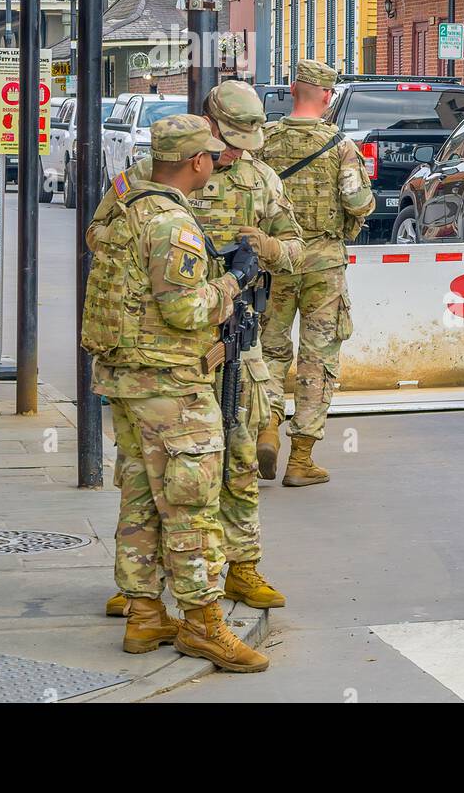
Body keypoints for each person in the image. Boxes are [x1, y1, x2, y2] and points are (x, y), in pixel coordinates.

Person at [93, 81, 302, 619]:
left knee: (235, 456)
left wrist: (266, 248)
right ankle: (147, 583)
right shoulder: (143, 177)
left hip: (234, 338)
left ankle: (242, 565)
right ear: (206, 126)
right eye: (227, 140)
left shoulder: (261, 178)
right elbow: (99, 237)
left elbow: (297, 248)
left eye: (243, 142)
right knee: (156, 470)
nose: (234, 152)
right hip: (167, 347)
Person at [81, 113, 269, 672]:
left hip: (128, 380)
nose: (216, 162)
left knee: (140, 498)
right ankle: (202, 623)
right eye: (211, 155)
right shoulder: (173, 226)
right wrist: (232, 281)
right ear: (195, 162)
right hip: (171, 385)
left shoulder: (125, 204)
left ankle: (144, 614)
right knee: (192, 505)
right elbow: (184, 310)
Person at [258, 59, 374, 485]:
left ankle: (266, 424)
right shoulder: (340, 145)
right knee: (318, 356)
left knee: (269, 349)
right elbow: (359, 202)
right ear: (327, 96)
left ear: (292, 89)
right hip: (323, 262)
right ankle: (301, 459)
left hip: (275, 260)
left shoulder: (264, 141)